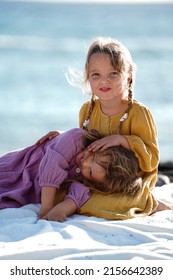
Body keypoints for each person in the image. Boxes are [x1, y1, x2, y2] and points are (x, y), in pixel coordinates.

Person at [36, 37, 172, 215]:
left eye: (113, 74)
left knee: (119, 202)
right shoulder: (88, 110)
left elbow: (152, 159)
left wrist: (122, 140)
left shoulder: (138, 113)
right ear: (88, 77)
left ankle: (150, 203)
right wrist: (63, 136)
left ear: (129, 75)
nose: (104, 81)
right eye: (96, 74)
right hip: (94, 178)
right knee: (64, 191)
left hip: (124, 181)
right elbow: (84, 145)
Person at [0, 128, 142, 222]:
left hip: (24, 190)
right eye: (93, 156)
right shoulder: (76, 138)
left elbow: (79, 193)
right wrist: (47, 207)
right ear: (101, 145)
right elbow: (52, 165)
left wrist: (60, 211)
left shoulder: (85, 179)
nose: (85, 163)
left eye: (90, 172)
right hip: (16, 168)